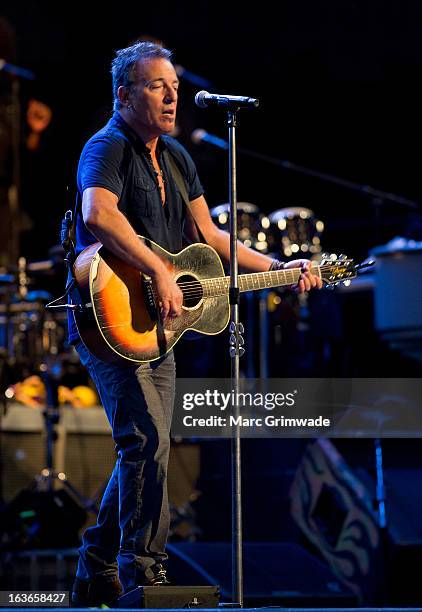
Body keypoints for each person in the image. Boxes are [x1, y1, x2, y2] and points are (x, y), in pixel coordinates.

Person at [69, 41, 322, 607]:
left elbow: (209, 236)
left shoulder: (178, 158)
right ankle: (144, 571)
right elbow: (97, 213)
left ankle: (95, 562)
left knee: (146, 445)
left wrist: (281, 268)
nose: (171, 96)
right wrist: (158, 268)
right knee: (148, 440)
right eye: (157, 86)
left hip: (161, 326)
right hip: (110, 319)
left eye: (175, 88)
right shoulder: (106, 146)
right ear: (125, 94)